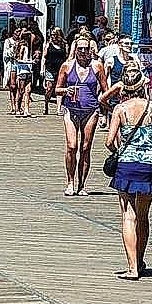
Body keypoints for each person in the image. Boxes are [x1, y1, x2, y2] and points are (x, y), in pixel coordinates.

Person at [105, 69, 152, 280]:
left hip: (126, 166)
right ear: (142, 86)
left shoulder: (120, 109)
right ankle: (139, 259)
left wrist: (119, 152)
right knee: (143, 216)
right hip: (148, 166)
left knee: (128, 215)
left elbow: (109, 141)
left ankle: (132, 267)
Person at [56, 35, 109, 196]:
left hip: (91, 110)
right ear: (75, 49)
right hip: (71, 109)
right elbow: (57, 89)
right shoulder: (67, 66)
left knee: (85, 147)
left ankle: (81, 185)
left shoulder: (97, 66)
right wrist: (66, 90)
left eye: (86, 48)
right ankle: (70, 182)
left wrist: (105, 113)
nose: (83, 51)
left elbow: (105, 91)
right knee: (72, 146)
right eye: (80, 48)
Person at [40, 27, 68, 115]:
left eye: (54, 34)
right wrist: (42, 69)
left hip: (61, 69)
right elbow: (44, 57)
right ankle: (46, 104)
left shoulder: (64, 45)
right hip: (50, 68)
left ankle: (58, 108)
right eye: (51, 35)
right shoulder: (48, 44)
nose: (52, 36)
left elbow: (67, 57)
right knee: (49, 88)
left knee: (59, 88)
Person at [13, 30, 35, 116]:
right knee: (21, 90)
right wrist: (30, 62)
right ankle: (17, 108)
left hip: (29, 70)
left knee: (28, 90)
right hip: (22, 71)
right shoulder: (22, 46)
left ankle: (26, 109)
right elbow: (18, 59)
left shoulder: (30, 47)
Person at [3, 28, 19, 114]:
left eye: (19, 32)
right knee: (12, 86)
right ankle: (13, 106)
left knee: (20, 87)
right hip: (12, 64)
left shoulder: (22, 41)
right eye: (16, 32)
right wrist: (14, 47)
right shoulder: (8, 41)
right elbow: (6, 54)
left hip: (20, 65)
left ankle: (18, 106)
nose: (18, 34)